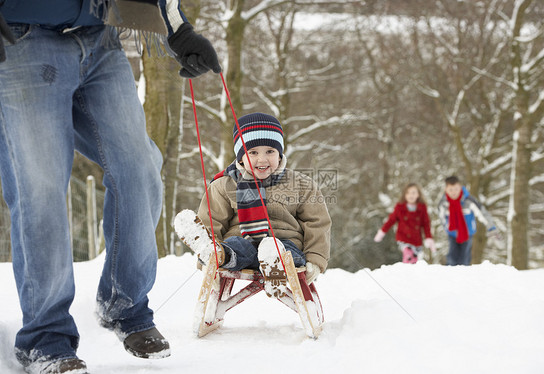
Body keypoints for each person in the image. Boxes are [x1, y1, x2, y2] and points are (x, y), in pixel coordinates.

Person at [0, 1, 220, 373]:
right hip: (21, 40)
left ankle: (124, 303)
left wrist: (178, 29)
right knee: (40, 190)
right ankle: (45, 338)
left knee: (140, 168)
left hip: (100, 39)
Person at [175, 112, 331, 297]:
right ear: (240, 157)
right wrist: (208, 265)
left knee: (285, 252)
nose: (262, 159)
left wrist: (315, 258)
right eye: (253, 152)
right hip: (243, 248)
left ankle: (275, 264)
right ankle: (215, 254)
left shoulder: (300, 184)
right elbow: (212, 220)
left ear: (280, 153)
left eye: (270, 151)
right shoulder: (225, 185)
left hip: (286, 247)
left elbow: (317, 222)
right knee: (233, 246)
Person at [437, 176, 499, 266]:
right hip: (452, 234)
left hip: (467, 233)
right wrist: (445, 226)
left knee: (464, 259)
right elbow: (441, 217)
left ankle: (464, 277)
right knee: (451, 258)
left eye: (456, 189)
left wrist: (491, 227)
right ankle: (450, 276)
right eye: (451, 190)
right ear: (446, 189)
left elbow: (482, 213)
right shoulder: (444, 203)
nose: (454, 192)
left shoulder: (469, 200)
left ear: (461, 187)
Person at [373, 183, 436, 264]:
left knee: (415, 260)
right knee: (408, 254)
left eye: (413, 193)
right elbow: (391, 220)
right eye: (408, 193)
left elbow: (426, 224)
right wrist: (382, 232)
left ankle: (409, 272)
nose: (411, 195)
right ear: (404, 195)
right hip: (404, 237)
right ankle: (407, 268)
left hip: (416, 240)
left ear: (418, 194)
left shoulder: (422, 208)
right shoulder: (400, 207)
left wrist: (428, 237)